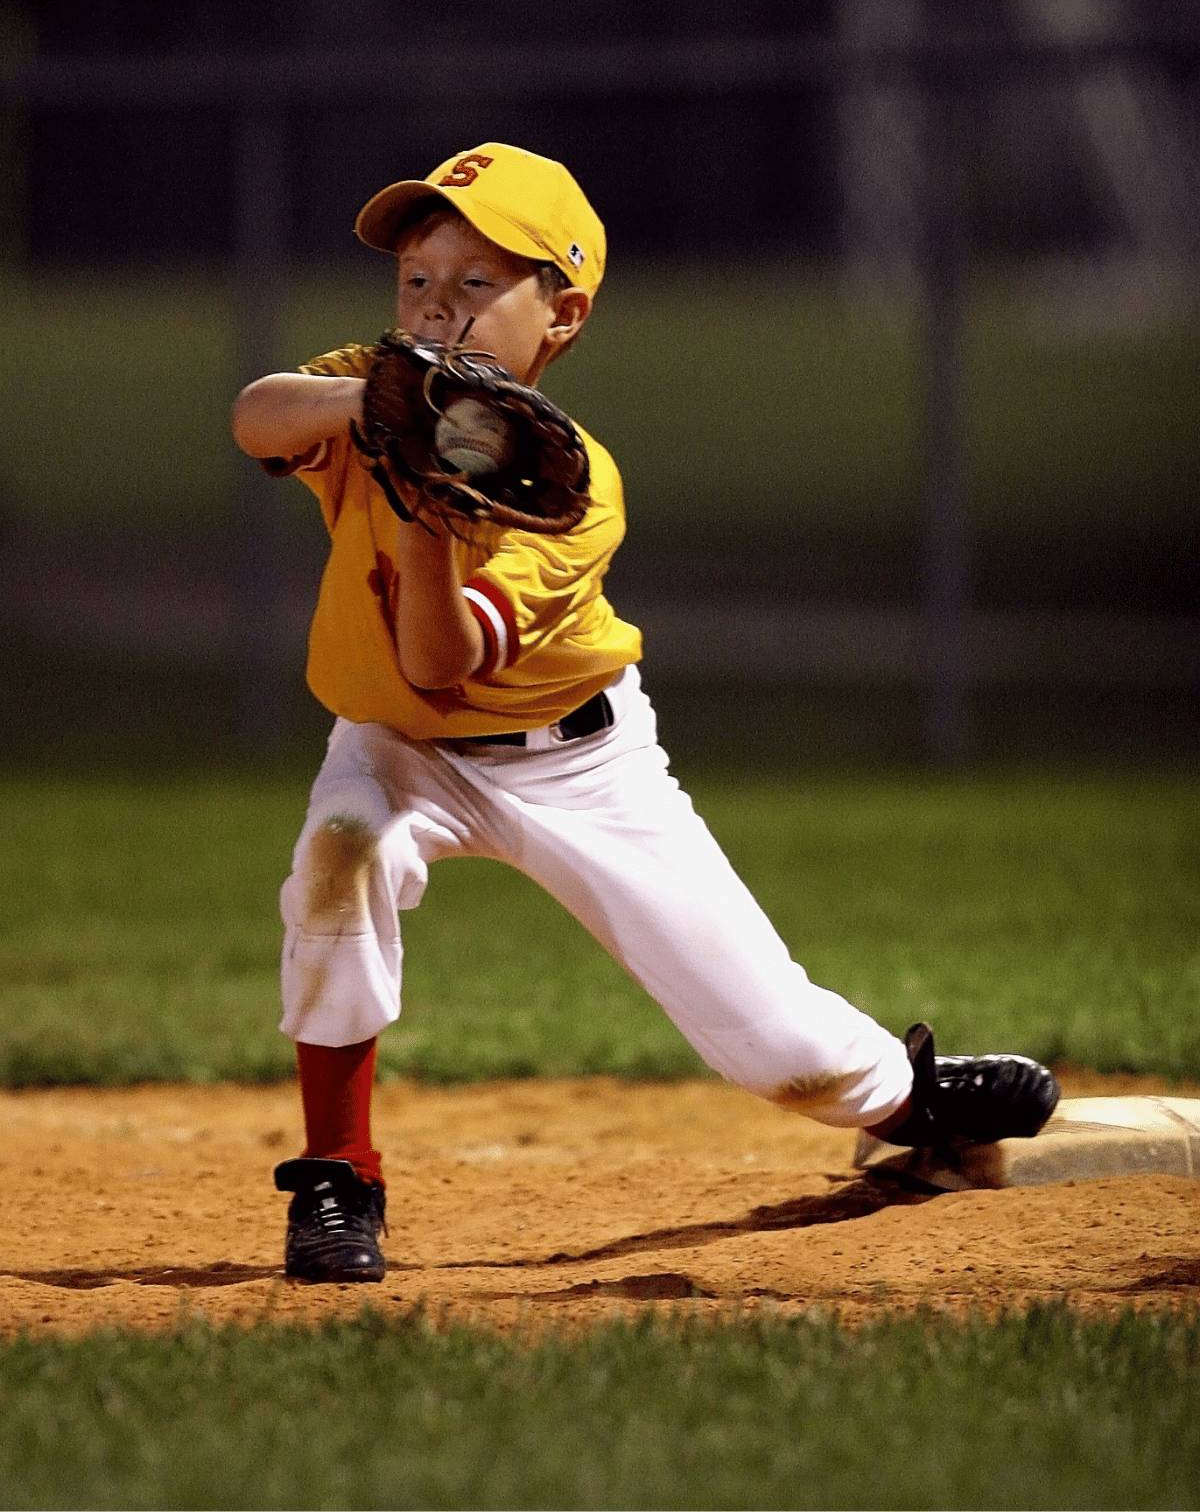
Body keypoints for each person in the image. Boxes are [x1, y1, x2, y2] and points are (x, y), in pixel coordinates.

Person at [231, 142, 1059, 1283]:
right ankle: (337, 1179)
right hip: (393, 749)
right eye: (417, 280)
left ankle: (916, 1102)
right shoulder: (373, 382)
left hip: (581, 768)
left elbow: (436, 663)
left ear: (560, 314)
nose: (435, 309)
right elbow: (256, 417)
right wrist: (372, 404)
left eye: (477, 285)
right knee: (342, 853)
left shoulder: (570, 489)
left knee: (784, 1054)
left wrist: (421, 506)